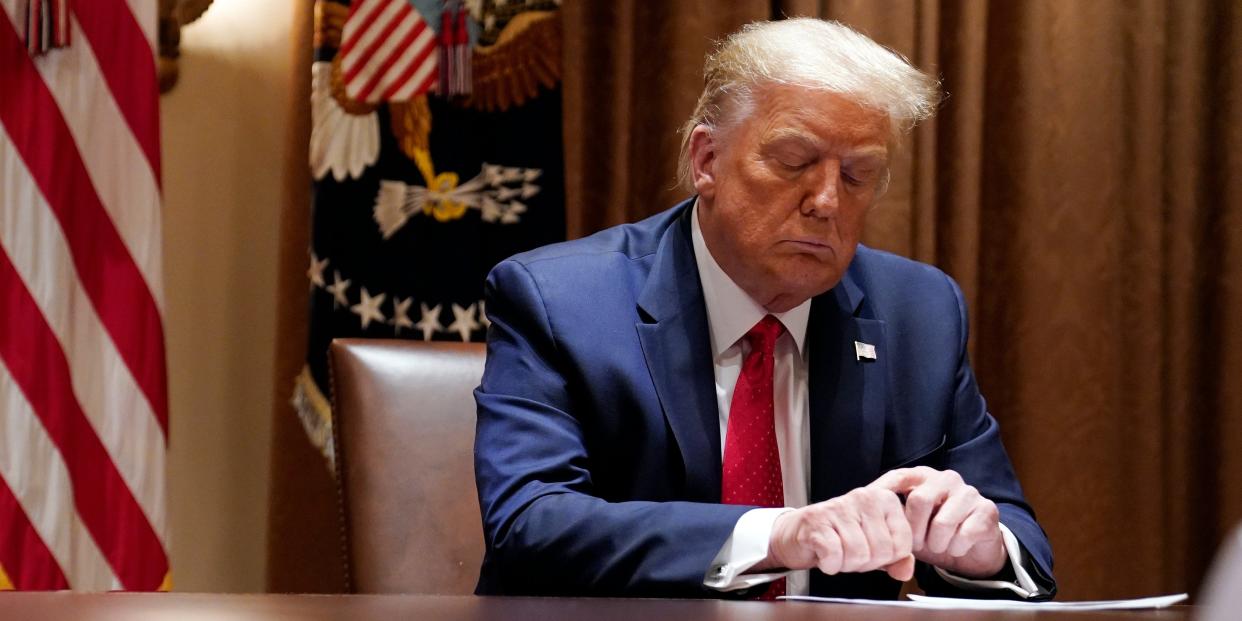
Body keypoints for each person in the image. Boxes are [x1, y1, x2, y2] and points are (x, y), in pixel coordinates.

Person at [473, 17, 1056, 600]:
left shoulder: (918, 313)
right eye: (794, 161)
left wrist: (979, 548)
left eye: (858, 175)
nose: (827, 201)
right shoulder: (560, 301)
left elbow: (1021, 542)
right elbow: (531, 523)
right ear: (707, 160)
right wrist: (776, 534)